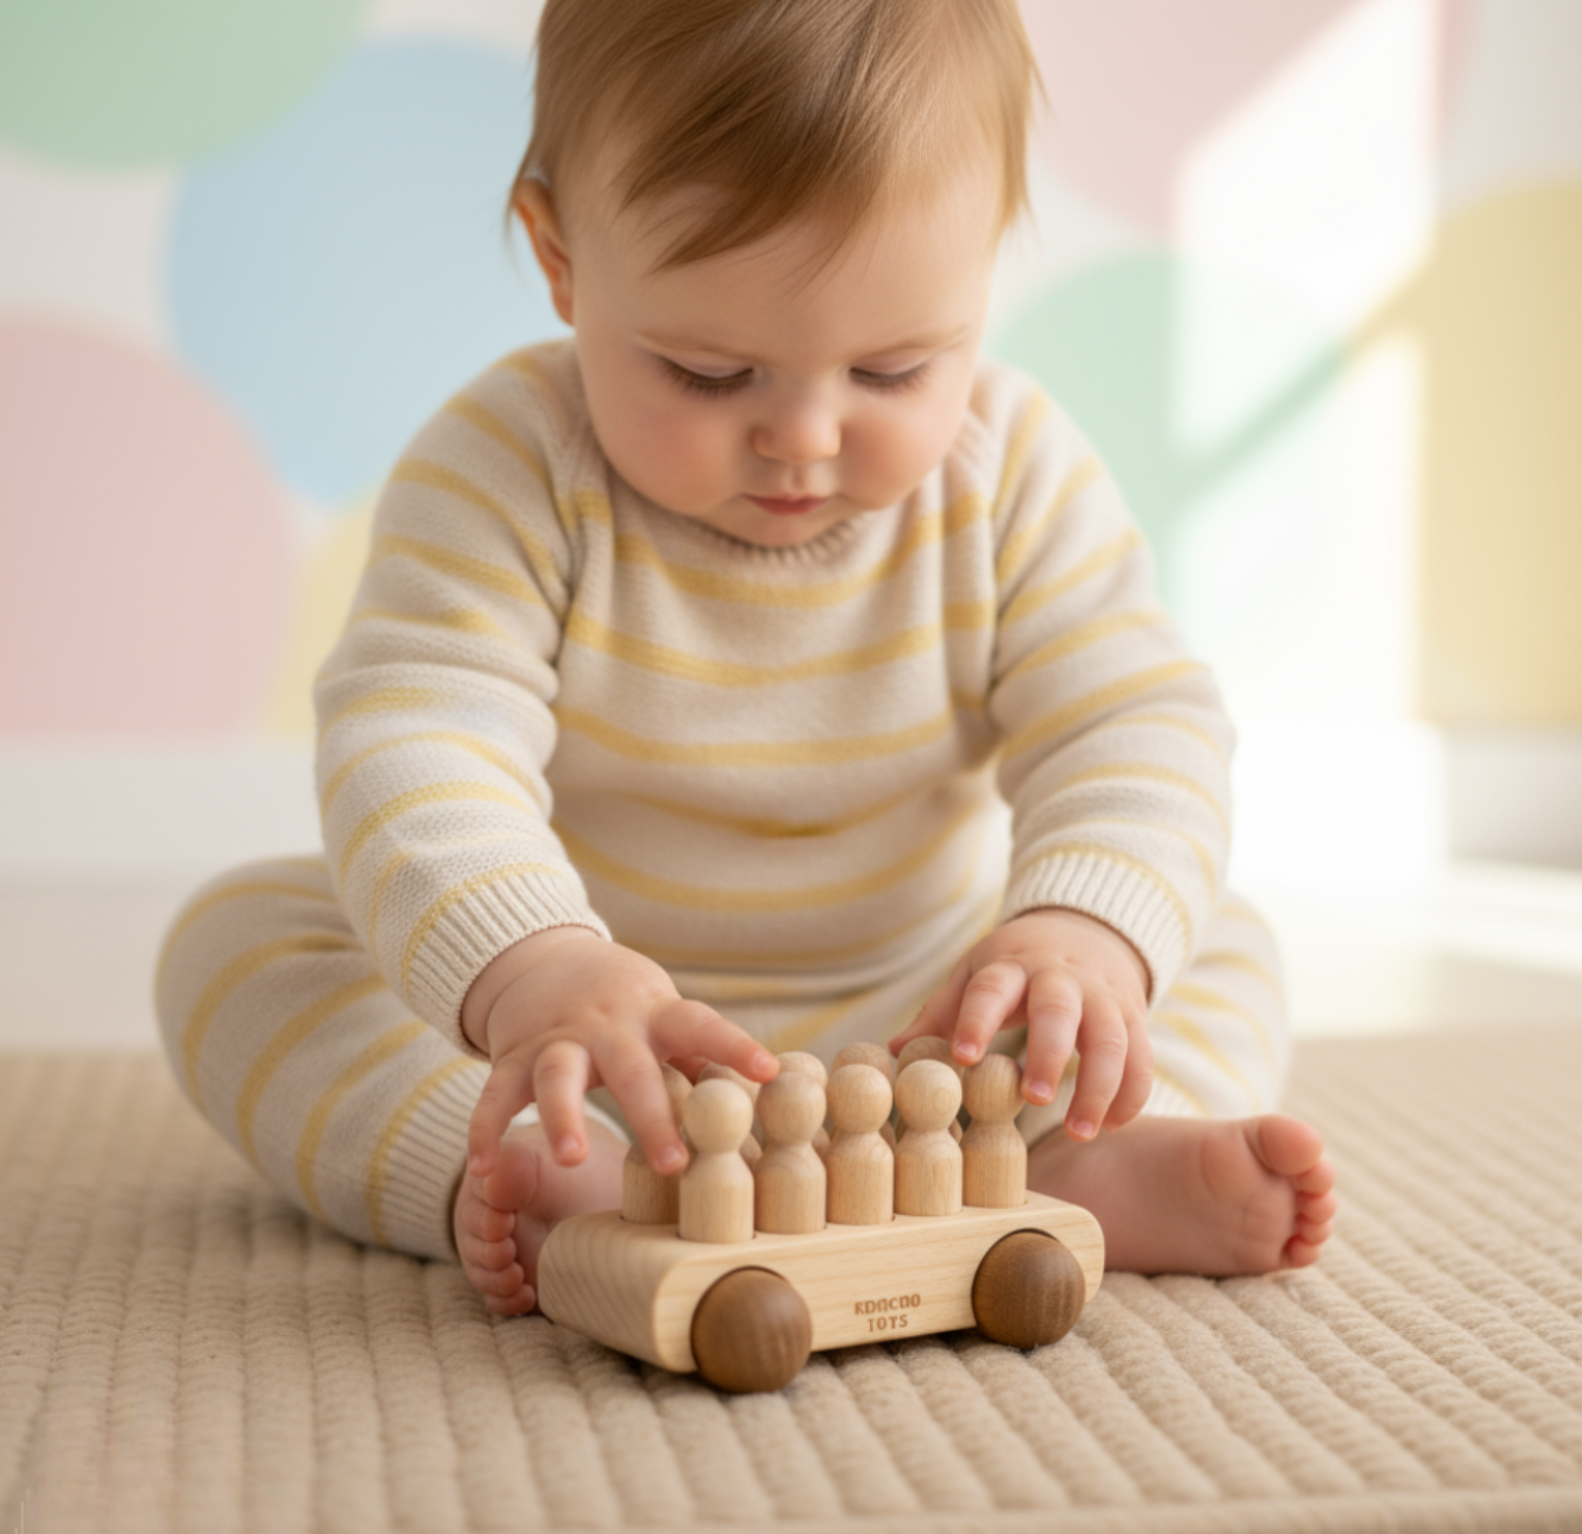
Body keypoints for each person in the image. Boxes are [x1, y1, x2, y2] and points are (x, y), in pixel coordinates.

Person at [156, 0, 1335, 1319]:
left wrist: (1076, 936)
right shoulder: (507, 466)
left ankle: (1083, 1161)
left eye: (894, 368)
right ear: (561, 258)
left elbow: (1132, 722)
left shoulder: (1014, 476)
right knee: (241, 949)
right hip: (605, 1050)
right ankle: (567, 1186)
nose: (805, 440)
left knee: (1205, 935)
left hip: (938, 1042)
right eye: (709, 372)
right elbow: (416, 736)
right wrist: (535, 972)